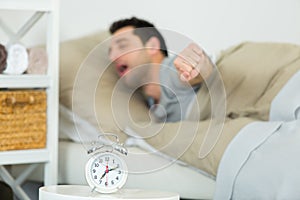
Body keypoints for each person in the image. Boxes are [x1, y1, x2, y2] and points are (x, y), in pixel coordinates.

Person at [108, 17, 214, 122]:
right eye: (110, 52)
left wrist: (197, 65)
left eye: (122, 46)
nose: (112, 57)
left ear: (152, 46)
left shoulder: (171, 71)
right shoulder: (147, 101)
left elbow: (200, 70)